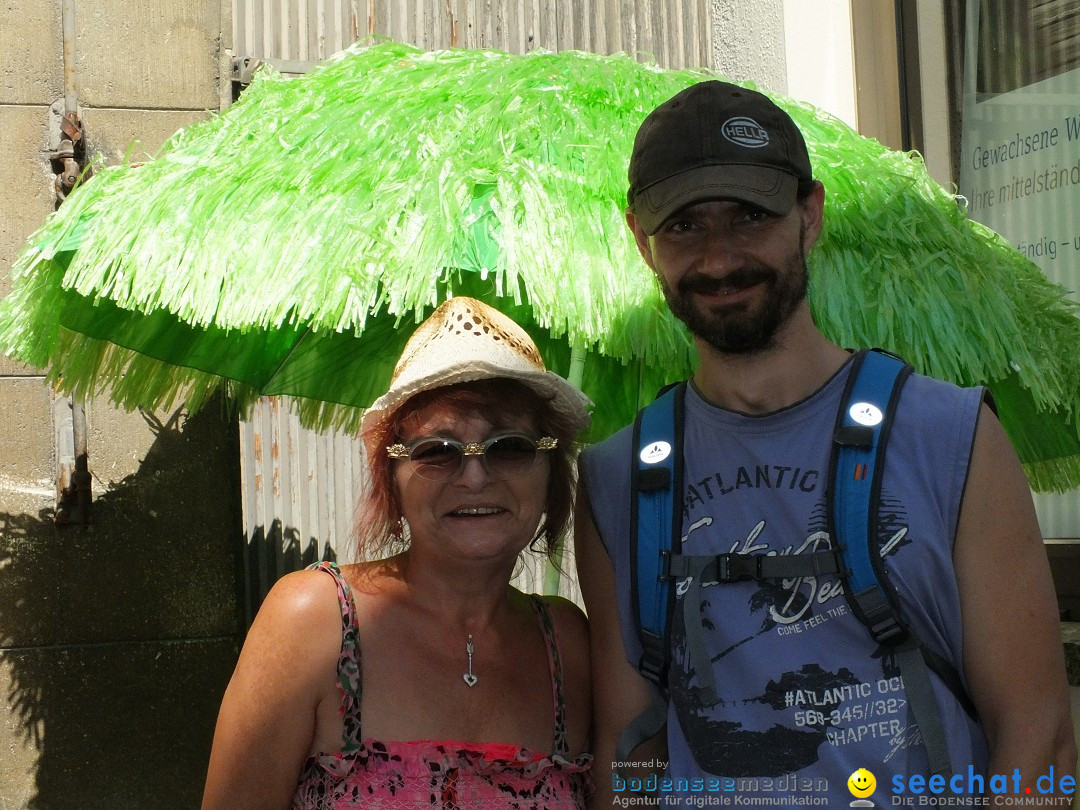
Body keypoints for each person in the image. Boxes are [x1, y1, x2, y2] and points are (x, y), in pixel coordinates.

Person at [576, 80, 1076, 808]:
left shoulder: (952, 437)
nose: (718, 259)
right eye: (684, 226)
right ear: (640, 241)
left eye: (751, 215)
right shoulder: (615, 480)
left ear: (809, 217)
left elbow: (1038, 742)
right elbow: (633, 751)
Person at [202, 296, 594, 809]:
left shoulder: (568, 643)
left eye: (511, 446)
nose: (475, 477)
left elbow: (638, 777)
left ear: (552, 470)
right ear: (391, 478)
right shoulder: (315, 620)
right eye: (437, 451)